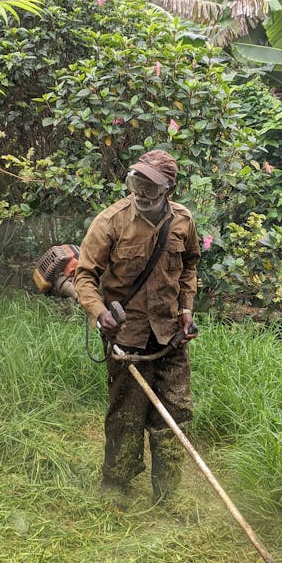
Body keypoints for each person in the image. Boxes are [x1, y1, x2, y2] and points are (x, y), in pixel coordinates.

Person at [74, 148, 200, 509]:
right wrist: (99, 313)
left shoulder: (183, 222)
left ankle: (169, 495)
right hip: (127, 338)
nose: (141, 192)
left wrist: (187, 307)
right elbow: (85, 275)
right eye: (136, 182)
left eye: (151, 186)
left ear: (169, 189)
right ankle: (117, 486)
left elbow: (190, 265)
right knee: (126, 416)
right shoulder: (111, 221)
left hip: (171, 336)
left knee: (175, 415)